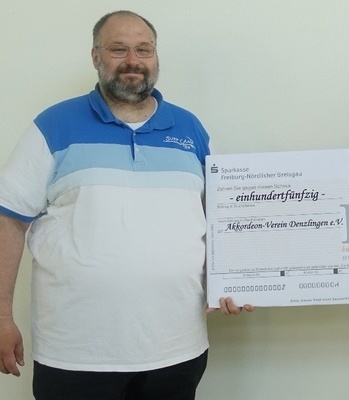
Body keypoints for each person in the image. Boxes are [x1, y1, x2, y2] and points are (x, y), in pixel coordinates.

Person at [0, 10, 252, 400]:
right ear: (95, 56)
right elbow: (9, 219)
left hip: (177, 348)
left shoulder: (191, 129)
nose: (133, 60)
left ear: (155, 56)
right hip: (75, 354)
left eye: (144, 49)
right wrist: (2, 317)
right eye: (118, 49)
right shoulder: (53, 125)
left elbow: (224, 221)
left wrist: (234, 282)